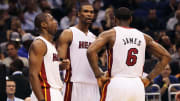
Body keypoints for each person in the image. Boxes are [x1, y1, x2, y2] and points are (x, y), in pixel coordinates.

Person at [87, 7, 171, 101]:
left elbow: (90, 51)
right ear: (131, 19)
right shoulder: (144, 37)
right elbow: (166, 56)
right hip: (137, 85)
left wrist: (98, 75)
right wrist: (149, 78)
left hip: (117, 82)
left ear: (115, 20)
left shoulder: (109, 34)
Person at [57, 2, 100, 101]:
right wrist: (62, 64)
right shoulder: (68, 33)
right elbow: (58, 61)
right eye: (86, 11)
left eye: (91, 12)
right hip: (74, 82)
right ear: (78, 14)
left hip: (92, 84)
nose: (89, 14)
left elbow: (94, 63)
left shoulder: (94, 38)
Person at [29, 13, 70, 101]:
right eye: (52, 20)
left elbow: (45, 67)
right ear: (43, 25)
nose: (56, 22)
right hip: (45, 92)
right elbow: (33, 74)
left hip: (54, 91)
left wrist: (60, 66)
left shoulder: (50, 44)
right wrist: (41, 99)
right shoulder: (39, 44)